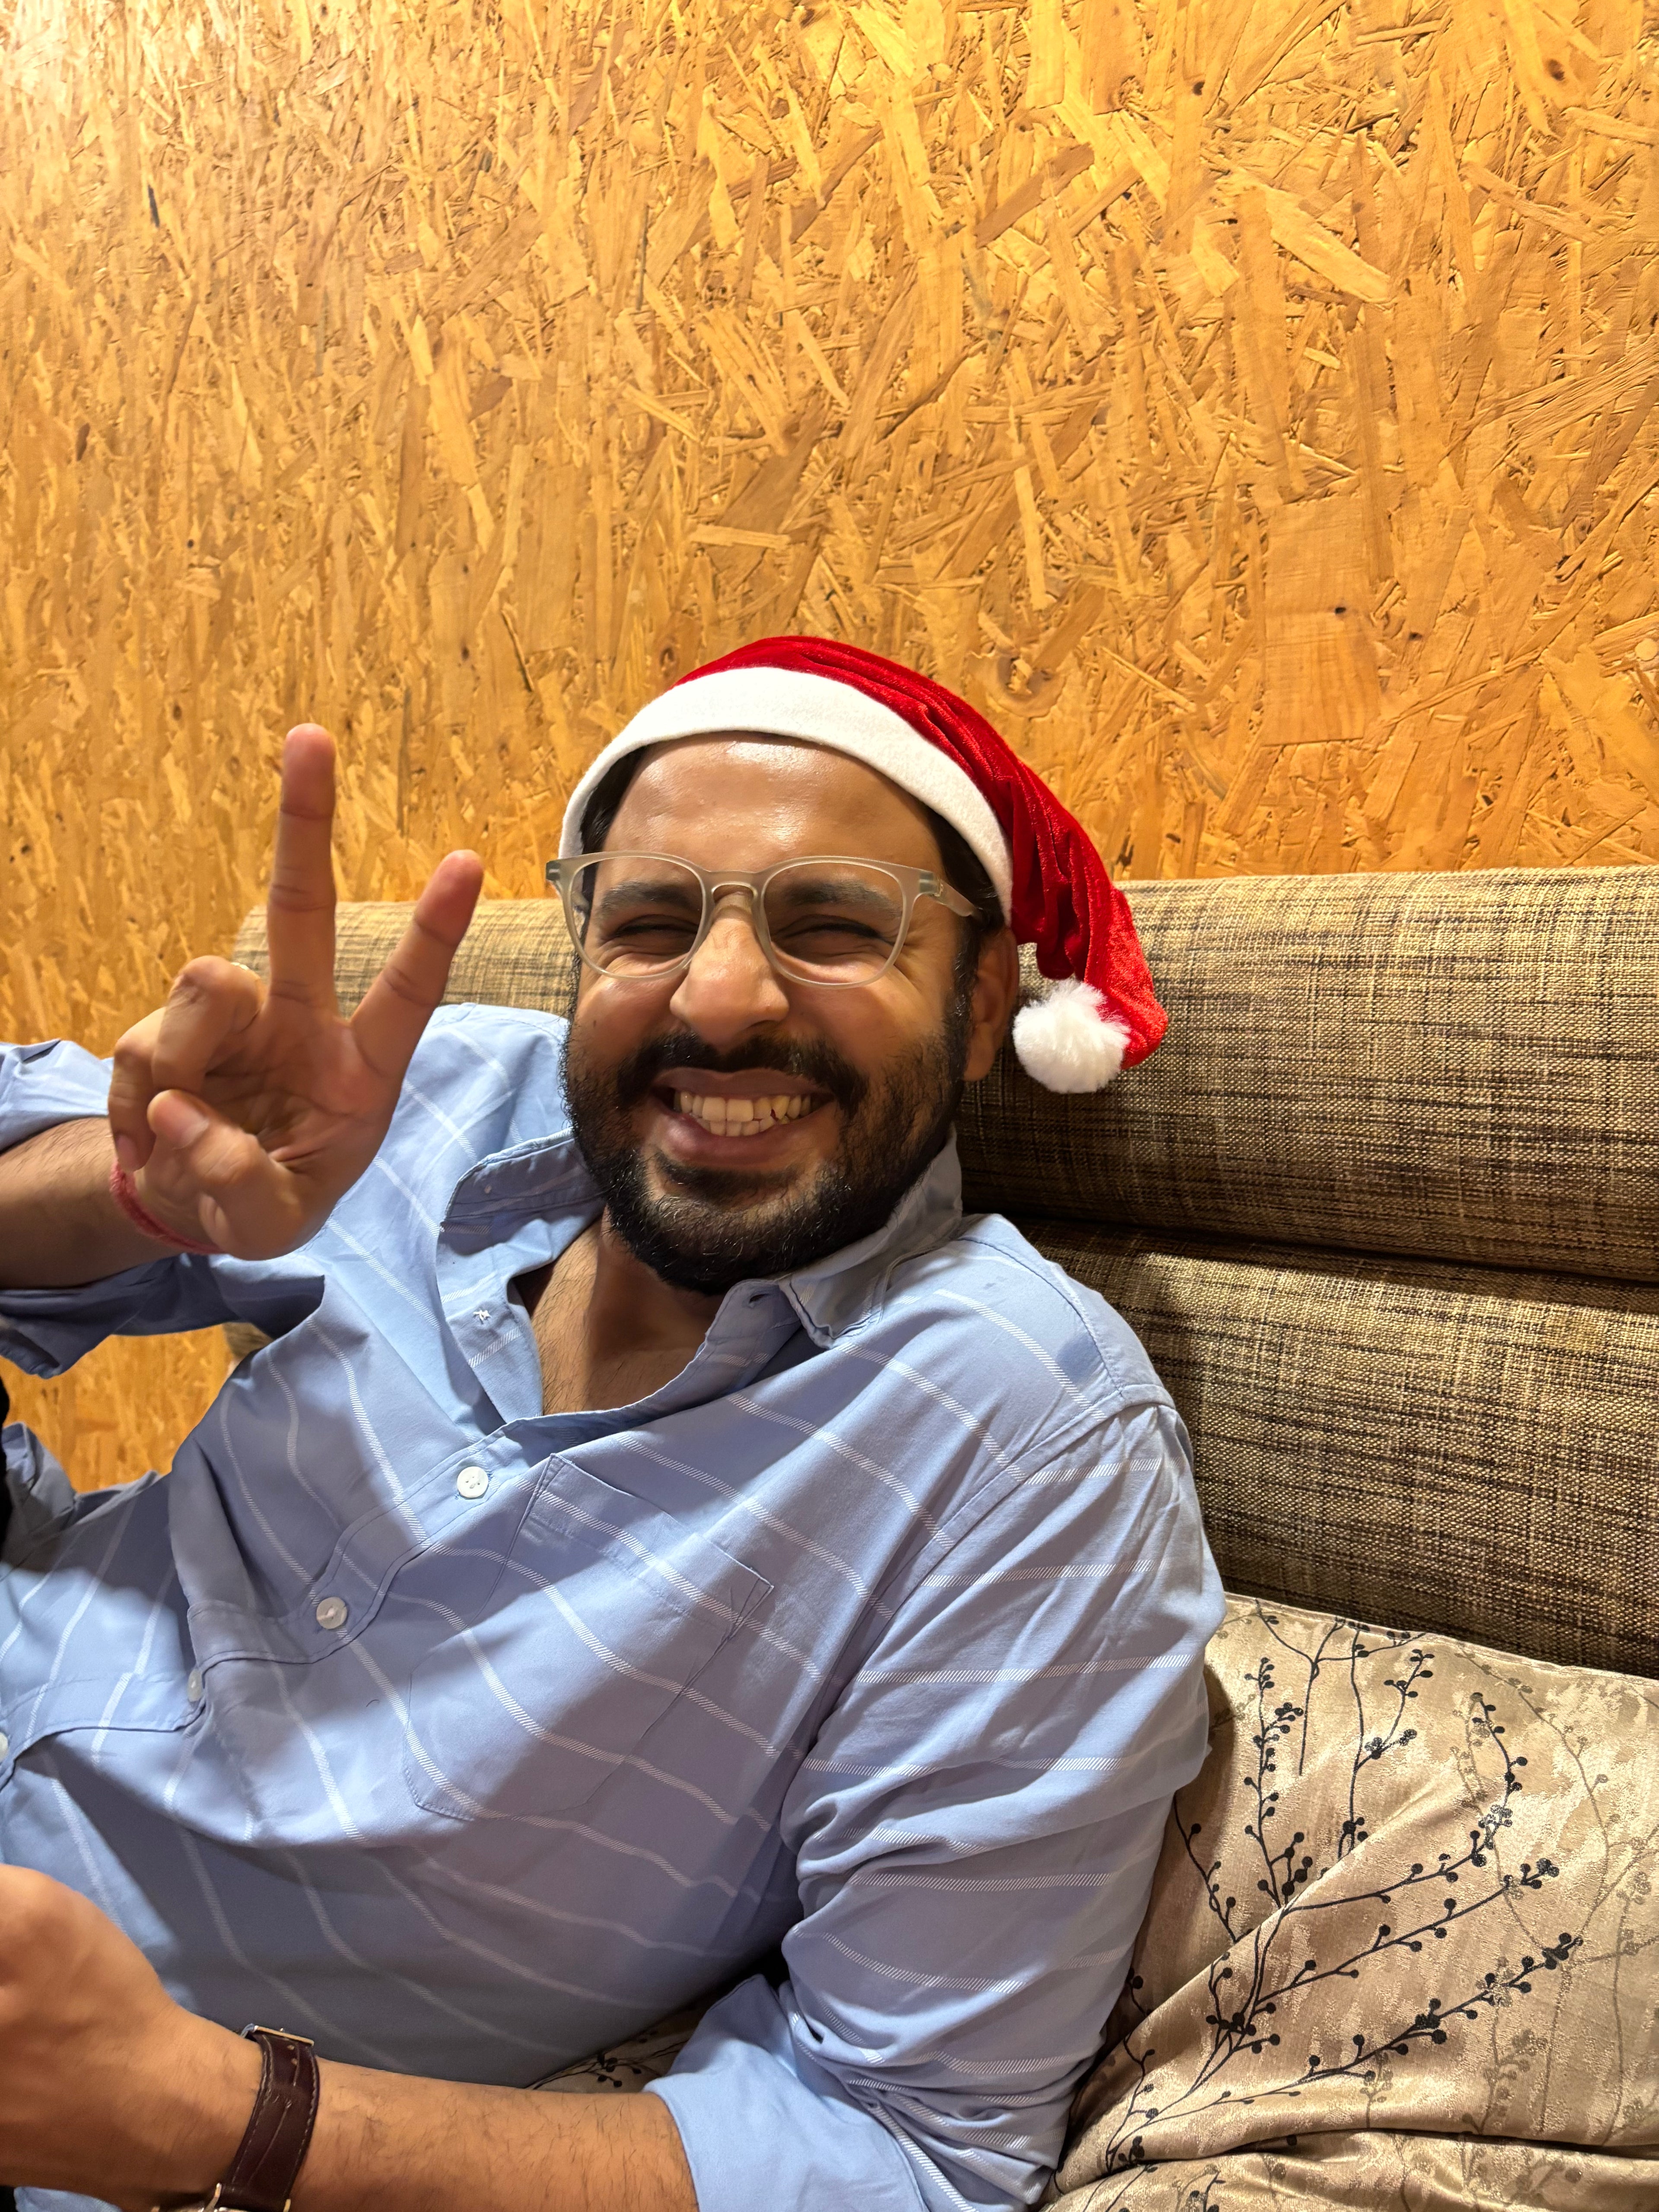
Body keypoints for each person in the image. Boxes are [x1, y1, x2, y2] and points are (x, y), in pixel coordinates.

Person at [0, 637, 1222, 2212]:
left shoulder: (1027, 1448)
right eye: (649, 921)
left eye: (834, 922)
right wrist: (132, 1192)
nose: (717, 996)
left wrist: (219, 2118)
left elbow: (911, 2150)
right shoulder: (430, 1088)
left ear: (984, 1003)